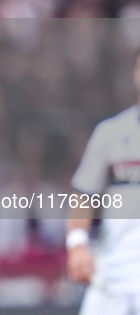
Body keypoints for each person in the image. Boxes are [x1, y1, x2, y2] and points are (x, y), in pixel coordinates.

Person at [66, 51, 140, 315]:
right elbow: (84, 194)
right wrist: (77, 244)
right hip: (114, 272)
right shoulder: (110, 133)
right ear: (135, 73)